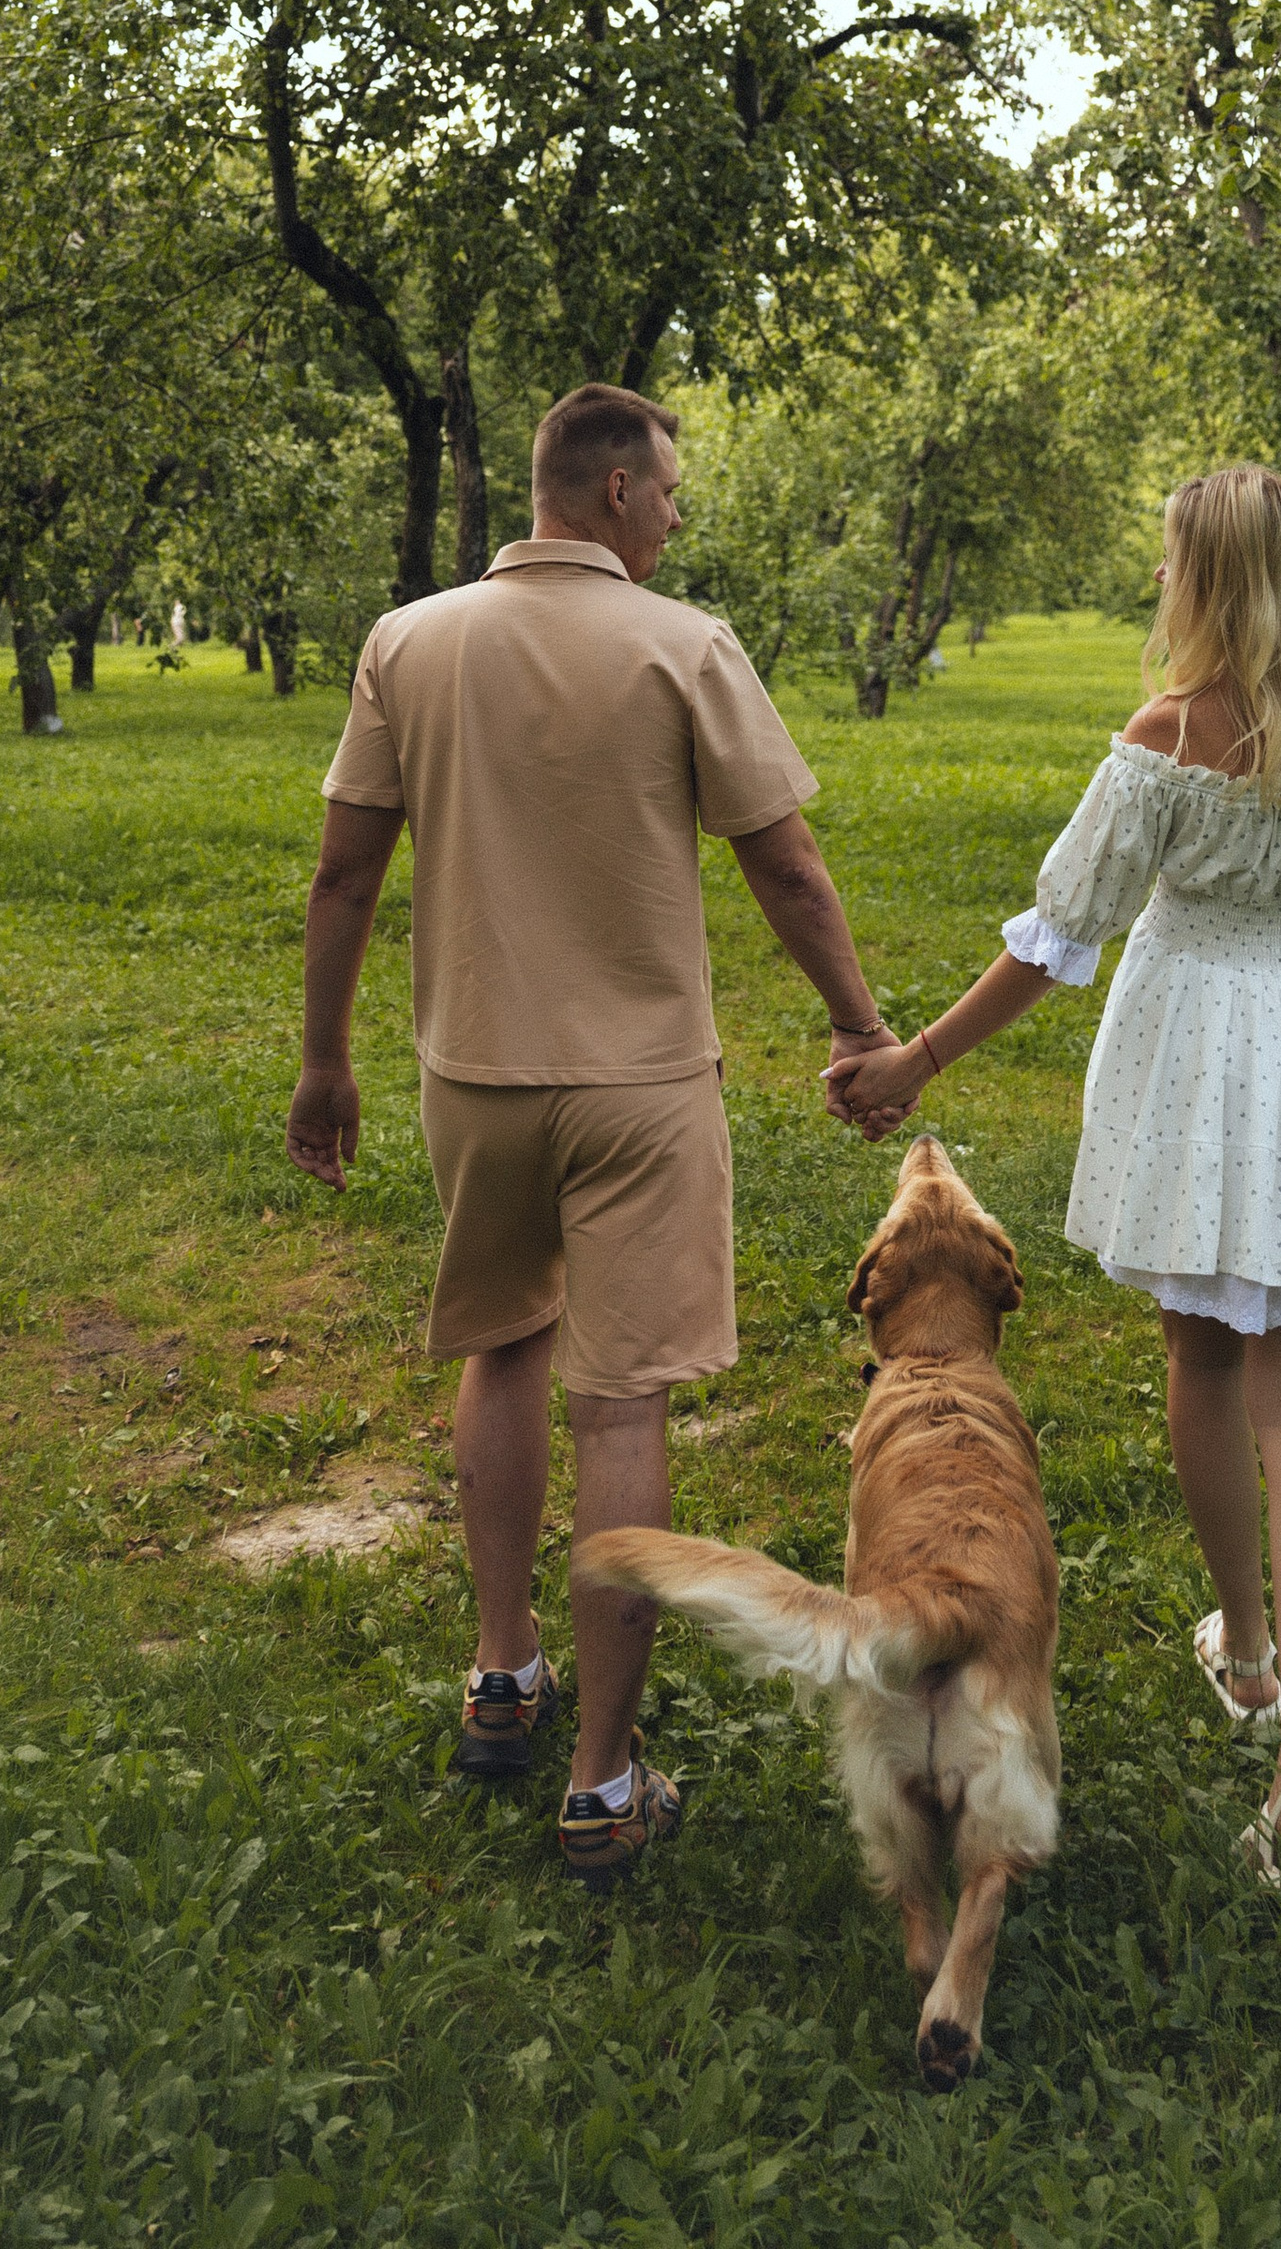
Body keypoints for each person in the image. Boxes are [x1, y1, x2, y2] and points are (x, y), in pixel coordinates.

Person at [286, 381, 903, 1888]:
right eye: (673, 492)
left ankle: (503, 1677)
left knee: (504, 1346)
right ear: (619, 493)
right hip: (639, 1087)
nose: (678, 515)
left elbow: (346, 877)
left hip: (472, 1075)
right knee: (623, 1408)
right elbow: (789, 868)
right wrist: (859, 1025)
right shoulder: (682, 643)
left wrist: (323, 1066)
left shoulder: (408, 642)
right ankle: (605, 1781)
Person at [838, 461, 1281, 1909]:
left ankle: (1242, 1649)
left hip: (1196, 1065)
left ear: (1207, 579)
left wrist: (917, 1058)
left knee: (1200, 1353)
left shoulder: (1171, 735)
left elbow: (1061, 938)